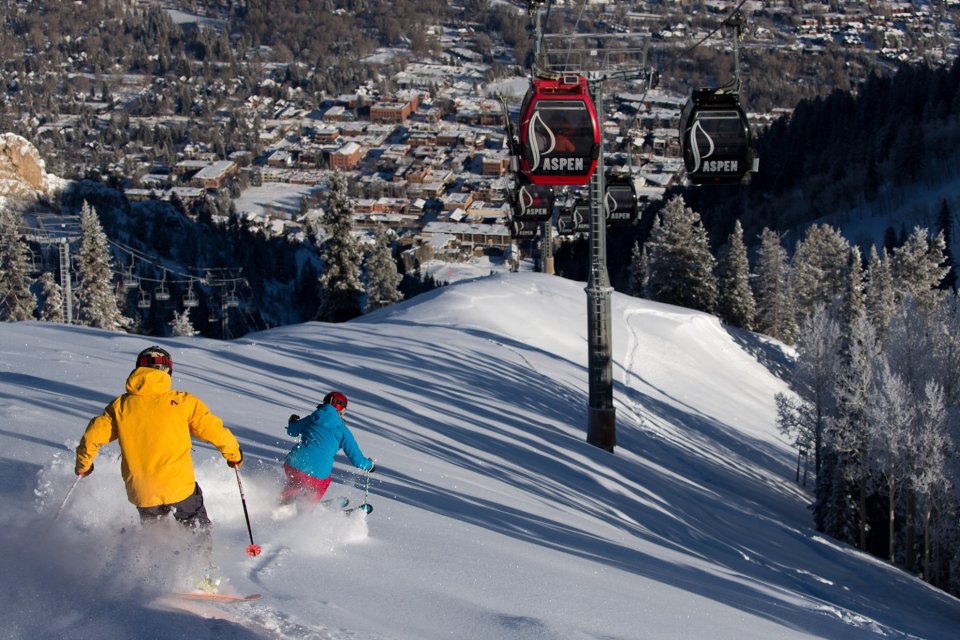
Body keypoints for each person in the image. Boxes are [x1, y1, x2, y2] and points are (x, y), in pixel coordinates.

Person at [74, 346, 243, 545]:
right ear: (168, 371)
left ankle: (158, 568)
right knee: (195, 526)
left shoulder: (119, 406)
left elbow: (92, 436)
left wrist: (84, 465)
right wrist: (234, 455)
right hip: (180, 486)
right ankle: (201, 569)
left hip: (143, 491)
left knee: (155, 537)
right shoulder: (183, 402)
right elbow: (215, 431)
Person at [280, 391, 374, 505]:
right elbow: (357, 460)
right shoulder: (342, 430)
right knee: (321, 482)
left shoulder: (312, 418)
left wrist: (292, 421)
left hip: (292, 465)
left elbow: (292, 431)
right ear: (341, 410)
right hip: (317, 475)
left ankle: (284, 501)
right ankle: (307, 508)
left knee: (297, 480)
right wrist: (369, 466)